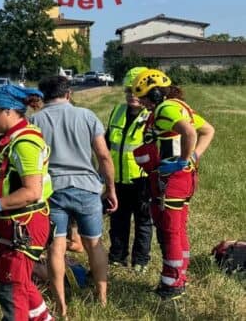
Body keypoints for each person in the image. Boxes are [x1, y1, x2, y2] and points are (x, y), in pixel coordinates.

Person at [30, 74, 117, 318]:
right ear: (68, 94)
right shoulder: (87, 116)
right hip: (86, 188)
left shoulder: (34, 121)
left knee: (55, 248)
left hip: (53, 190)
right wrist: (110, 188)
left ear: (43, 96)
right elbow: (103, 156)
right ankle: (102, 298)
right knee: (94, 244)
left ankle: (61, 306)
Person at [0, 85, 53, 321]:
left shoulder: (24, 143)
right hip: (10, 223)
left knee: (12, 287)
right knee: (21, 281)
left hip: (24, 223)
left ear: (8, 111)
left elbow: (32, 191)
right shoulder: (5, 139)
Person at [131, 69, 216, 301]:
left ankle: (173, 284)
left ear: (156, 94)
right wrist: (193, 158)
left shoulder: (165, 109)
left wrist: (183, 161)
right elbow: (208, 130)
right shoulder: (179, 106)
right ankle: (179, 275)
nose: (143, 103)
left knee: (169, 230)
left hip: (171, 180)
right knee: (177, 228)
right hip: (181, 179)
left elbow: (190, 133)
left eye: (145, 98)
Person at [106, 67, 153, 271]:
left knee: (143, 222)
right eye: (128, 90)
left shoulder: (152, 115)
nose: (132, 95)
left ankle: (140, 261)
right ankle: (117, 257)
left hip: (142, 179)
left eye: (136, 91)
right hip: (118, 179)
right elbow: (107, 144)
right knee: (118, 220)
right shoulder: (117, 111)